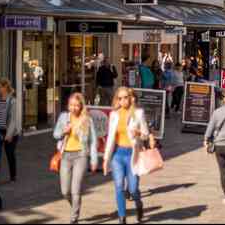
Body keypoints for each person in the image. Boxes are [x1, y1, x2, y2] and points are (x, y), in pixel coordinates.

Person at [103, 87, 155, 224]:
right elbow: (110, 138)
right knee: (119, 186)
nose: (123, 100)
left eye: (125, 97)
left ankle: (138, 204)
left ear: (130, 98)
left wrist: (139, 133)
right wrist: (106, 158)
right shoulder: (114, 114)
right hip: (118, 155)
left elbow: (145, 134)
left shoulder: (138, 113)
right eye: (119, 98)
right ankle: (122, 218)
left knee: (132, 189)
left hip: (133, 154)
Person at [53, 92, 98, 224]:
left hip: (81, 155)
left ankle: (74, 217)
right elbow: (55, 135)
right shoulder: (63, 117)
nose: (74, 108)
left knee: (75, 189)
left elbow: (93, 141)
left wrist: (94, 160)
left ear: (81, 106)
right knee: (65, 191)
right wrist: (63, 131)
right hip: (66, 155)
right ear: (68, 105)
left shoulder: (87, 120)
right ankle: (75, 206)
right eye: (71, 105)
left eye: (77, 105)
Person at [0, 78, 19, 183]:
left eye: (0, 87)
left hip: (9, 132)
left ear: (6, 87)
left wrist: (9, 134)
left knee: (10, 154)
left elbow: (12, 119)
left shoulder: (12, 100)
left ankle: (13, 176)